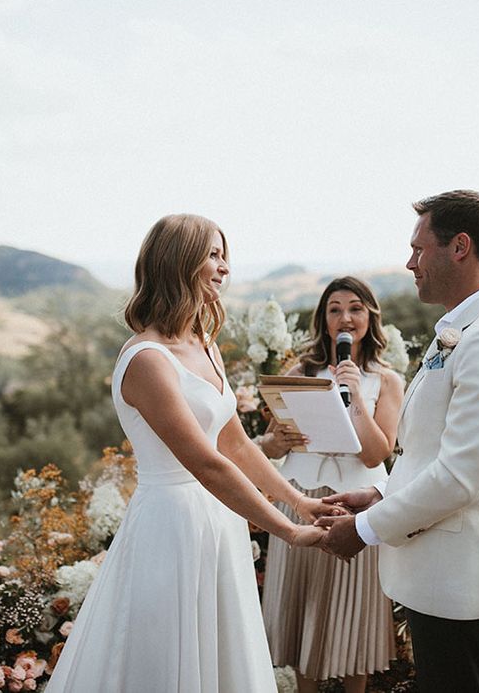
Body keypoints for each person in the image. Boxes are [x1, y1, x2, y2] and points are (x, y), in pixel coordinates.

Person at [46, 214, 334, 692]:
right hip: (171, 527)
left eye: (226, 257)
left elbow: (236, 443)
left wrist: (298, 500)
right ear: (178, 262)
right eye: (213, 255)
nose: (224, 268)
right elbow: (206, 462)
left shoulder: (206, 345)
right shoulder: (146, 360)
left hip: (219, 525)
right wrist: (286, 529)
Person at [316, 190, 479, 693]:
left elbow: (460, 477)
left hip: (458, 582)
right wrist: (380, 494)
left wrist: (365, 528)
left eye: (419, 249)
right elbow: (429, 450)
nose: (410, 262)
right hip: (437, 576)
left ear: (459, 246)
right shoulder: (463, 329)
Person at [260, 276, 404, 693]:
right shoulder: (300, 372)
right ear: (324, 320)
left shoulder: (387, 381)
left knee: (353, 613)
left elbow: (378, 454)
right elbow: (270, 446)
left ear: (370, 317)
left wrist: (355, 394)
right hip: (302, 500)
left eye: (355, 308)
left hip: (359, 506)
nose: (345, 317)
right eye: (335, 309)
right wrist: (274, 441)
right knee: (304, 607)